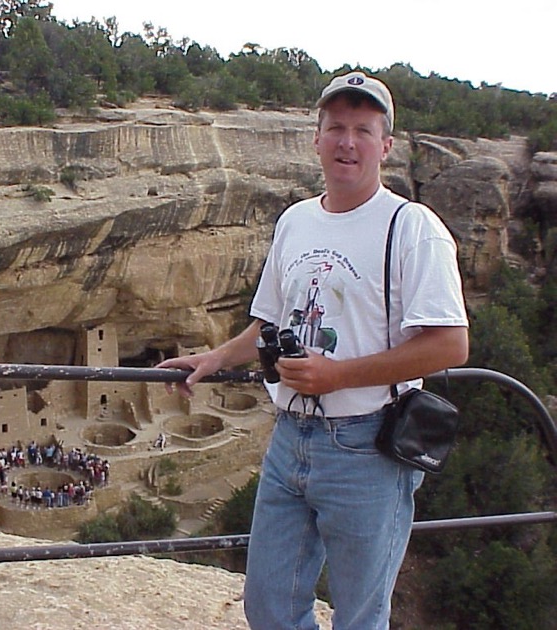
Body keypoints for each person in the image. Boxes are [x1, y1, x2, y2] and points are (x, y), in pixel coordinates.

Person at [157, 70, 469, 630]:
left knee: (358, 615)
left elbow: (449, 344)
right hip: (290, 438)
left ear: (386, 146)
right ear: (317, 138)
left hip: (366, 447)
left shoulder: (411, 227)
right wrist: (216, 358)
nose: (348, 143)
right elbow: (270, 322)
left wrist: (339, 375)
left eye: (363, 131)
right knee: (271, 606)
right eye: (336, 128)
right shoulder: (296, 221)